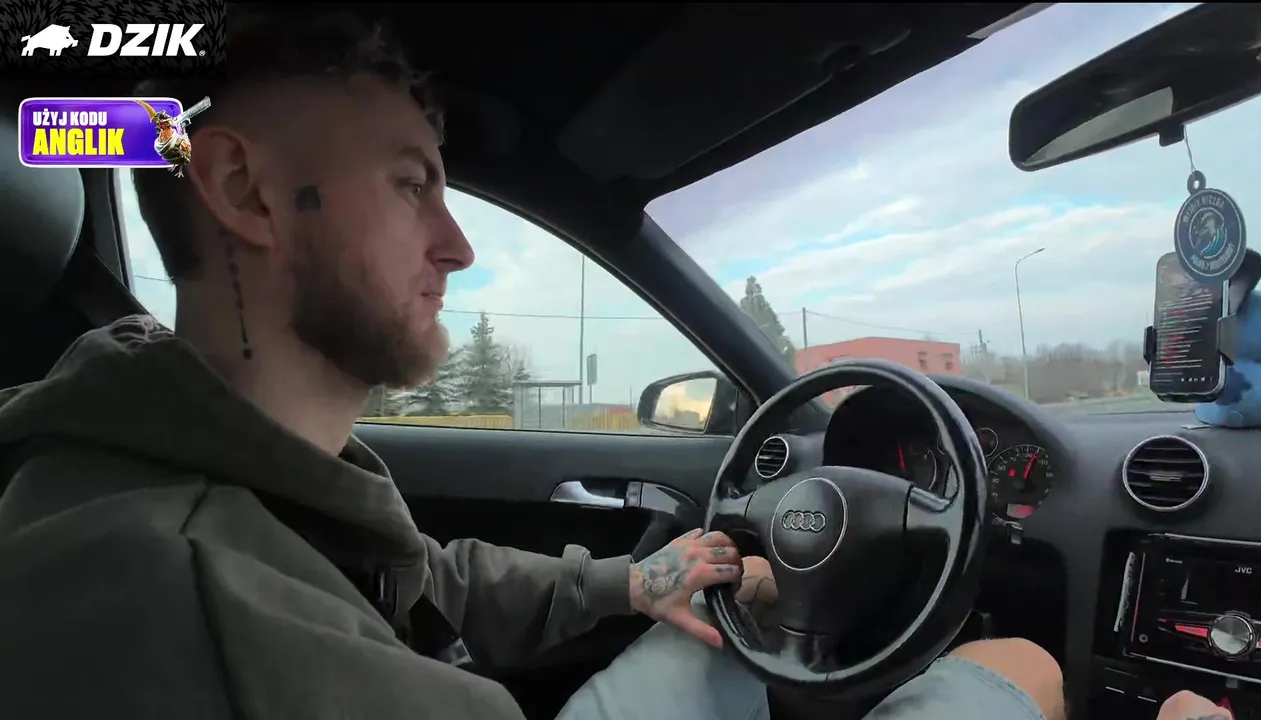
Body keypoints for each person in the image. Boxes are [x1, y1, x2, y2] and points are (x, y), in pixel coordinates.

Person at [0, 9, 1190, 720]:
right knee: (1013, 666)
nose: (457, 245)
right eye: (411, 184)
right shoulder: (199, 607)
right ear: (244, 190)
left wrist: (633, 584)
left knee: (709, 641)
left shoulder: (208, 462)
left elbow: (426, 578)